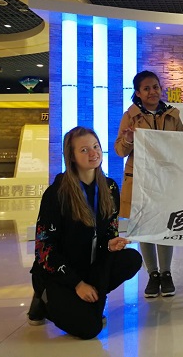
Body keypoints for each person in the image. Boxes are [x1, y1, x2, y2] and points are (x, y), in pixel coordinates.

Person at [27, 127, 142, 339]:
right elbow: (44, 250)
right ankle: (43, 298)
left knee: (132, 259)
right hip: (60, 272)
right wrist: (77, 284)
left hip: (90, 267)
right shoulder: (57, 193)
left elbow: (108, 233)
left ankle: (91, 301)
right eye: (84, 150)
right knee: (89, 329)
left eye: (96, 146)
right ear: (71, 157)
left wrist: (110, 244)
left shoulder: (109, 188)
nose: (93, 153)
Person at [114, 70, 183, 298]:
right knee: (144, 228)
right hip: (140, 180)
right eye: (146, 88)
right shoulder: (130, 116)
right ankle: (153, 274)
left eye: (155, 87)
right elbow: (119, 150)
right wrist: (128, 139)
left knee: (165, 226)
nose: (152, 92)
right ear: (138, 93)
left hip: (165, 180)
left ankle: (166, 273)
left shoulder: (173, 115)